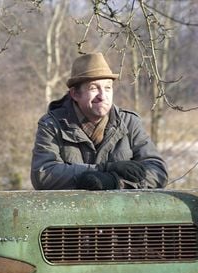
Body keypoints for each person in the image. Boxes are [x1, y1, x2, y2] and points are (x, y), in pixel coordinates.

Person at [31, 52, 168, 190]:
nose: (102, 96)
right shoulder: (52, 125)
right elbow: (43, 174)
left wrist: (115, 182)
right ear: (75, 94)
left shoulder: (129, 122)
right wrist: (102, 168)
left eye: (108, 88)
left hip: (121, 210)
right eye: (94, 88)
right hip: (72, 209)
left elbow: (158, 172)